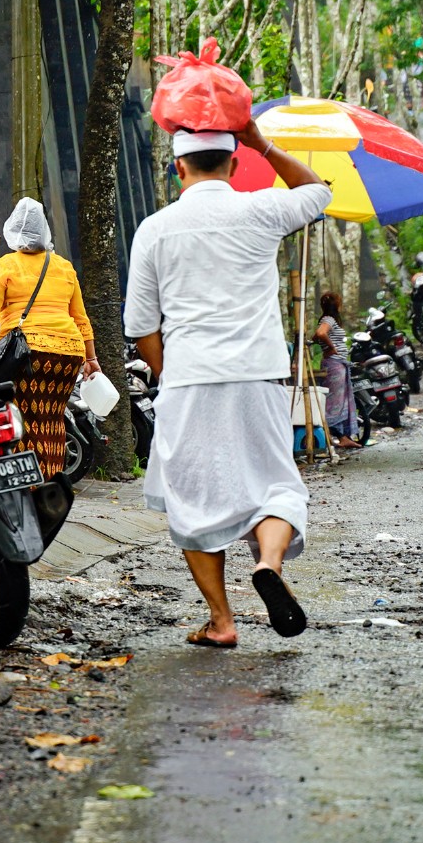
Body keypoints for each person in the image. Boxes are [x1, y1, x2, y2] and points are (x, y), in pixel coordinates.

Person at [124, 123, 331, 648]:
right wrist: (260, 140)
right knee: (275, 484)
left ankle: (221, 621)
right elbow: (317, 190)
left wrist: (171, 376)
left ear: (178, 169)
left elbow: (141, 325)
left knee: (192, 498)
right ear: (235, 165)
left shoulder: (155, 228)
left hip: (191, 376)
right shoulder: (260, 210)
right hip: (258, 373)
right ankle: (267, 563)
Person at [0, 198, 95, 478]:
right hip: (68, 355)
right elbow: (81, 319)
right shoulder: (65, 267)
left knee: (28, 421)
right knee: (53, 420)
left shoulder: (6, 266)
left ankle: (32, 489)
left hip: (29, 356)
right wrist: (92, 359)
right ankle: (54, 485)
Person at [314, 291, 360, 451]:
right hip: (334, 365)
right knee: (334, 403)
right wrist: (332, 348)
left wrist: (322, 344)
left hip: (337, 364)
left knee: (339, 401)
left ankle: (343, 438)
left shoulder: (327, 320)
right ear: (337, 305)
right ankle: (327, 434)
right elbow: (320, 333)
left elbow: (316, 335)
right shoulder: (329, 320)